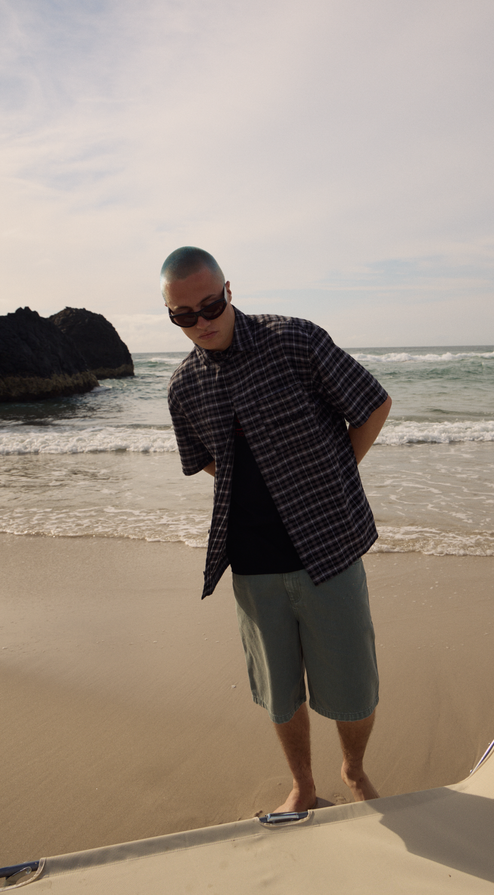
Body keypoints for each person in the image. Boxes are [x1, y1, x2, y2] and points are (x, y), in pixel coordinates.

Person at [162, 246, 391, 813]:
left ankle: (354, 769)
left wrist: (333, 475)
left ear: (229, 291)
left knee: (353, 684)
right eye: (183, 315)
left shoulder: (294, 340)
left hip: (329, 547)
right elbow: (205, 461)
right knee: (278, 689)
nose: (201, 322)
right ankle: (303, 785)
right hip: (252, 561)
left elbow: (372, 404)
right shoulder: (183, 386)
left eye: (209, 305)